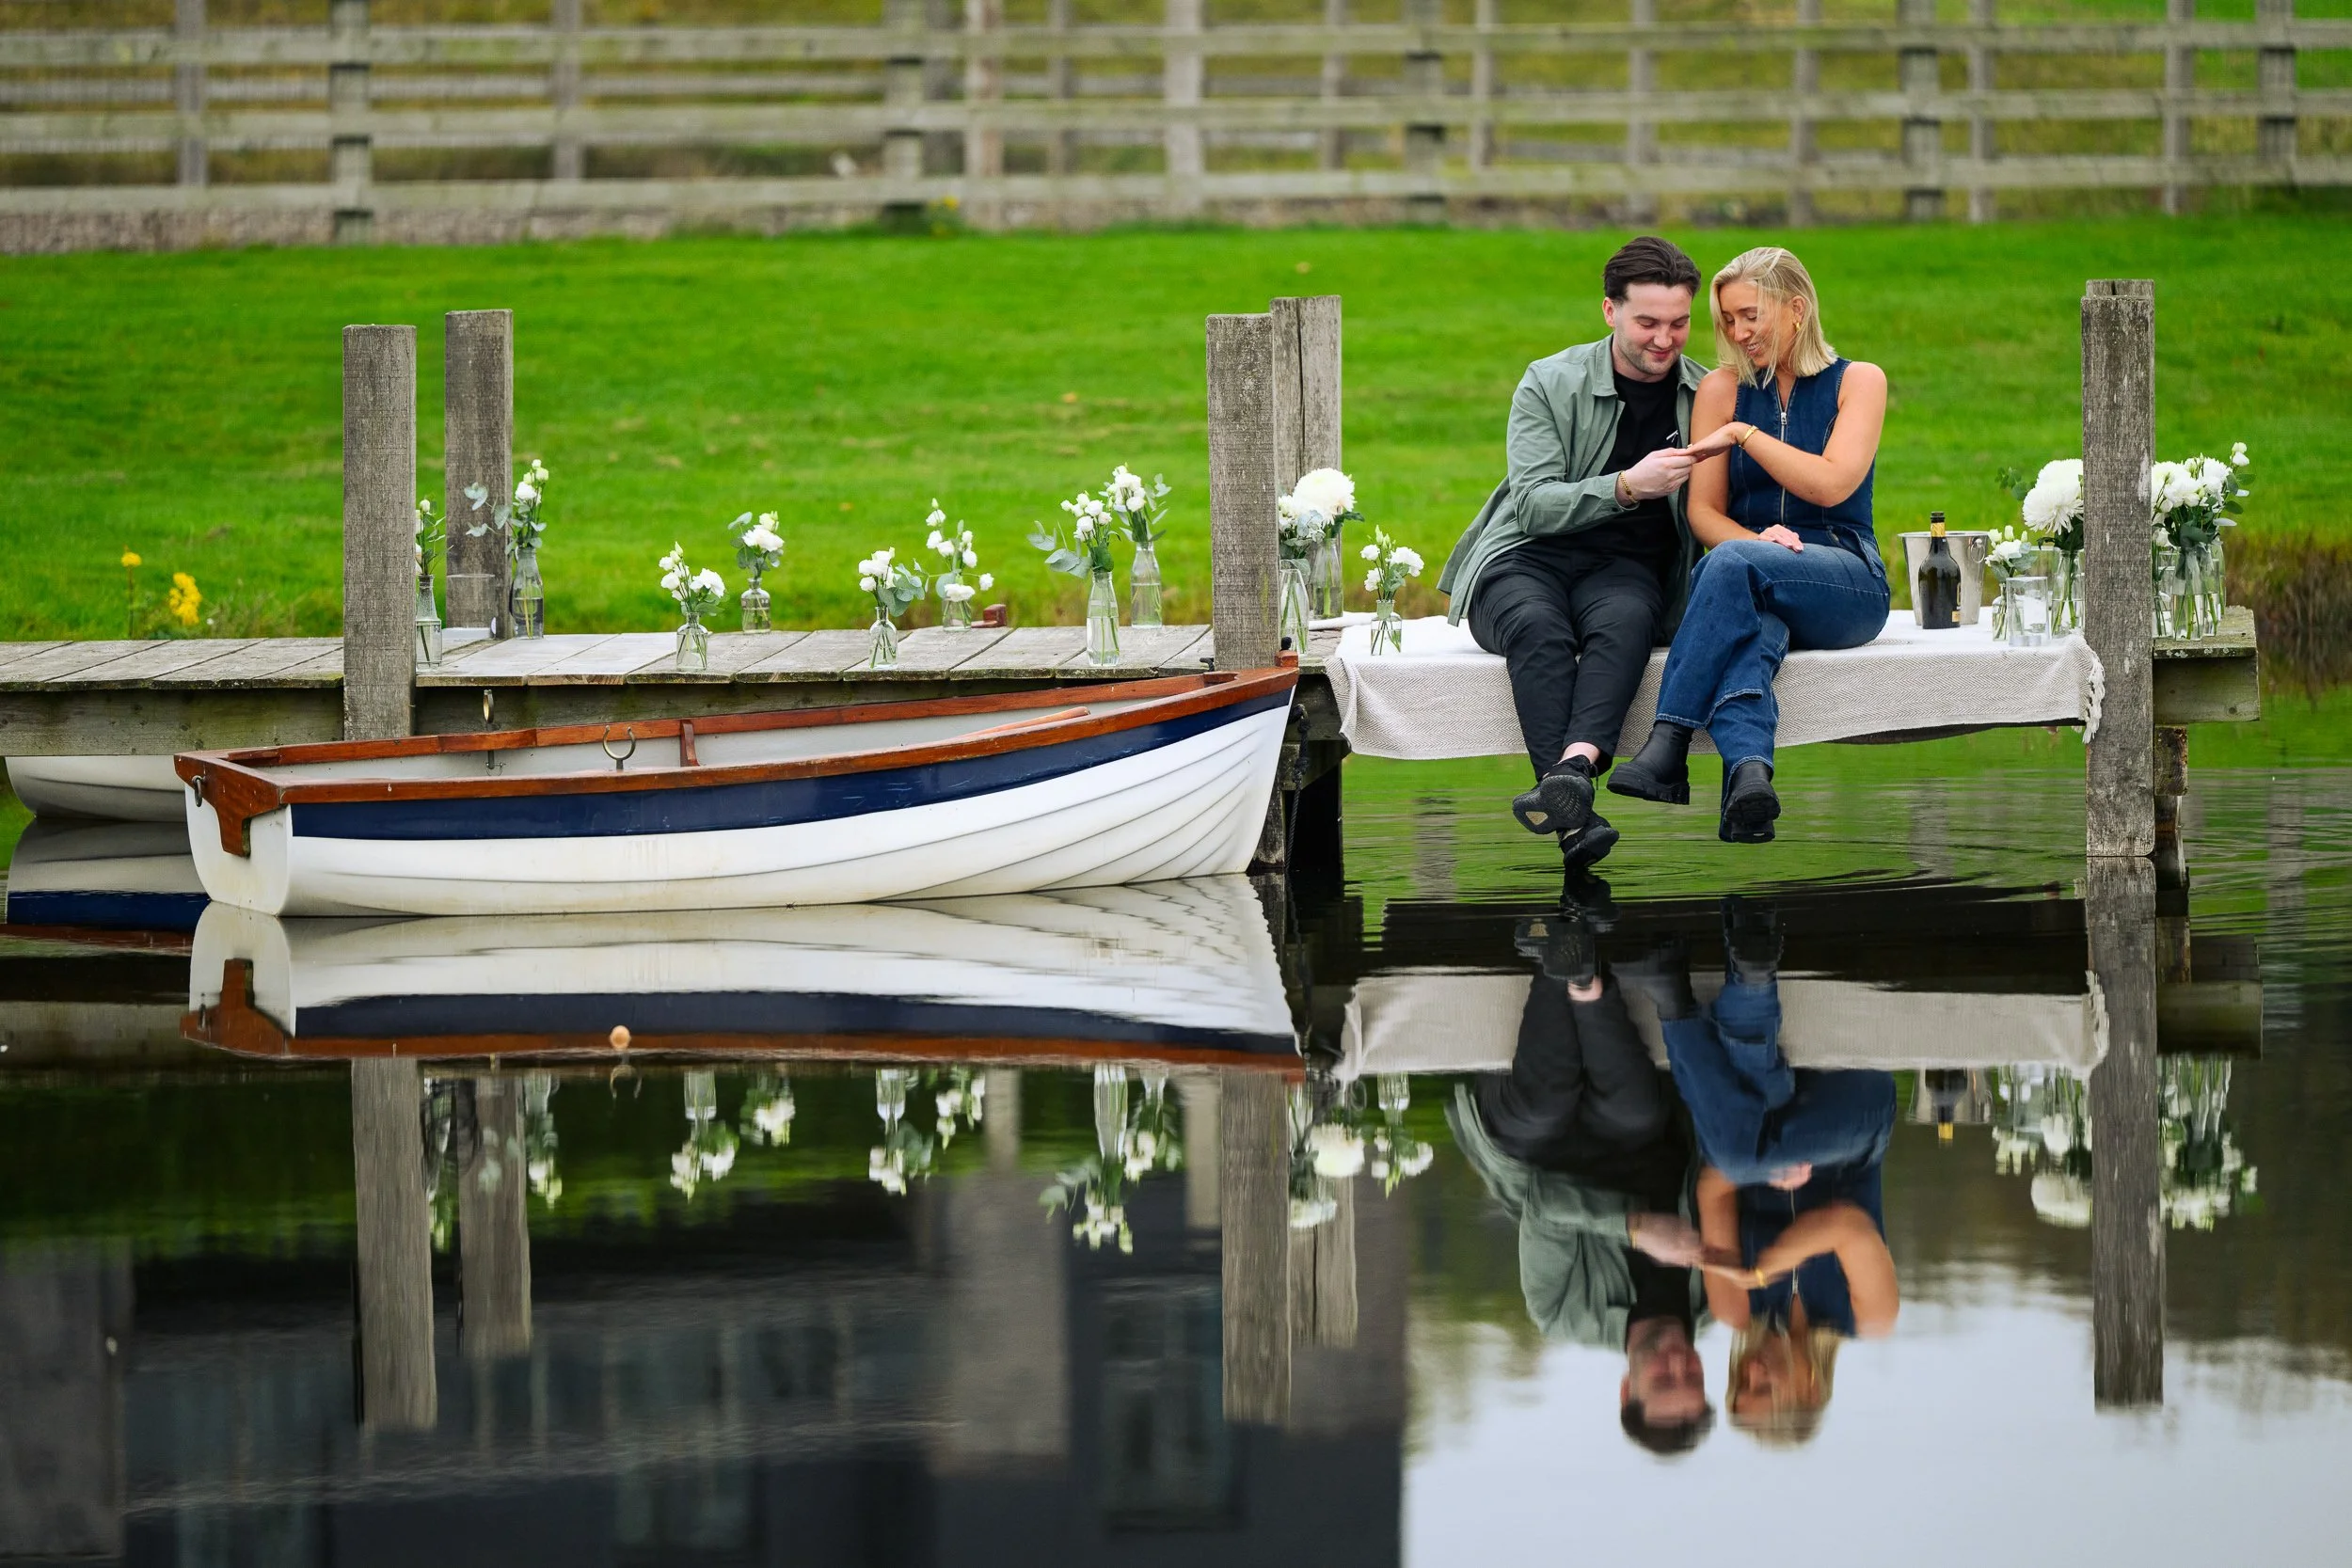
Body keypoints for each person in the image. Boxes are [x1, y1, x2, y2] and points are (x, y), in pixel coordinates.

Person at [1438, 236, 1713, 875]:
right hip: (1525, 559)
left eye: (1678, 323)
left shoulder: (1706, 396)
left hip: (1627, 571)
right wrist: (1625, 486)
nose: (1664, 340)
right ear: (1609, 312)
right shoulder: (1550, 380)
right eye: (1647, 322)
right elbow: (1532, 505)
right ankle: (1577, 818)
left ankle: (1574, 773)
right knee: (1538, 628)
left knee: (1625, 622)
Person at [1609, 245, 1892, 845]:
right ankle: (1749, 780)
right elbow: (1704, 513)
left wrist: (1745, 435)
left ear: (1796, 309)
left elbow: (1833, 481)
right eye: (1728, 320)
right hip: (1753, 571)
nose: (1738, 332)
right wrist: (1759, 546)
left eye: (1750, 316)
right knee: (1752, 628)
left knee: (1730, 565)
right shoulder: (1722, 388)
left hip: (1844, 578)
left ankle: (1669, 742)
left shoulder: (1859, 381)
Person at [1623, 897, 1899, 1446]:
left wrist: (1760, 1172)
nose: (1748, 1371)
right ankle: (1682, 999)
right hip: (1853, 1125)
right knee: (1745, 1145)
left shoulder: (1735, 1311)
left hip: (1754, 1131)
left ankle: (1750, 973)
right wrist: (1770, 1261)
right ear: (1811, 1390)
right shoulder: (1869, 1317)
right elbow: (1847, 1225)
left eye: (1737, 1385)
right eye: (1763, 1389)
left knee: (1744, 1138)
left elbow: (1713, 1186)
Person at [1447, 912, 1716, 1456]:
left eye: (1665, 1380)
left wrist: (1639, 1229)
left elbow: (1543, 1206)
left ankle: (1563, 960)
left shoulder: (1561, 1313)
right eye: (1693, 1377)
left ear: (1627, 1388)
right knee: (1637, 1111)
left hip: (1532, 1150)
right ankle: (1581, 973)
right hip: (1636, 1132)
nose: (1679, 1363)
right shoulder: (1717, 1296)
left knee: (1540, 1110)